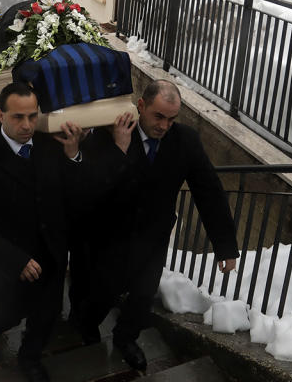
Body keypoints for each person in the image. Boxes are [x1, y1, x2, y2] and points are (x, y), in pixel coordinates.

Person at [72, 79, 239, 373]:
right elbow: (90, 182)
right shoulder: (110, 132)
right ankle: (86, 324)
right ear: (141, 107)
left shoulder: (186, 140)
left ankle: (127, 338)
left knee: (143, 293)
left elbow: (208, 191)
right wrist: (119, 150)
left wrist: (225, 246)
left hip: (153, 234)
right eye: (158, 116)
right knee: (103, 290)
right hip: (109, 233)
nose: (163, 125)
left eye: (171, 119)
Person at [0, 82, 83, 382]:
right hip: (7, 264)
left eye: (32, 116)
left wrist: (74, 156)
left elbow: (72, 195)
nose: (27, 125)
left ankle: (30, 358)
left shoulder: (51, 146)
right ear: (0, 115)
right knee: (3, 316)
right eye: (17, 117)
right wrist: (15, 261)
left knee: (45, 317)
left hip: (50, 258)